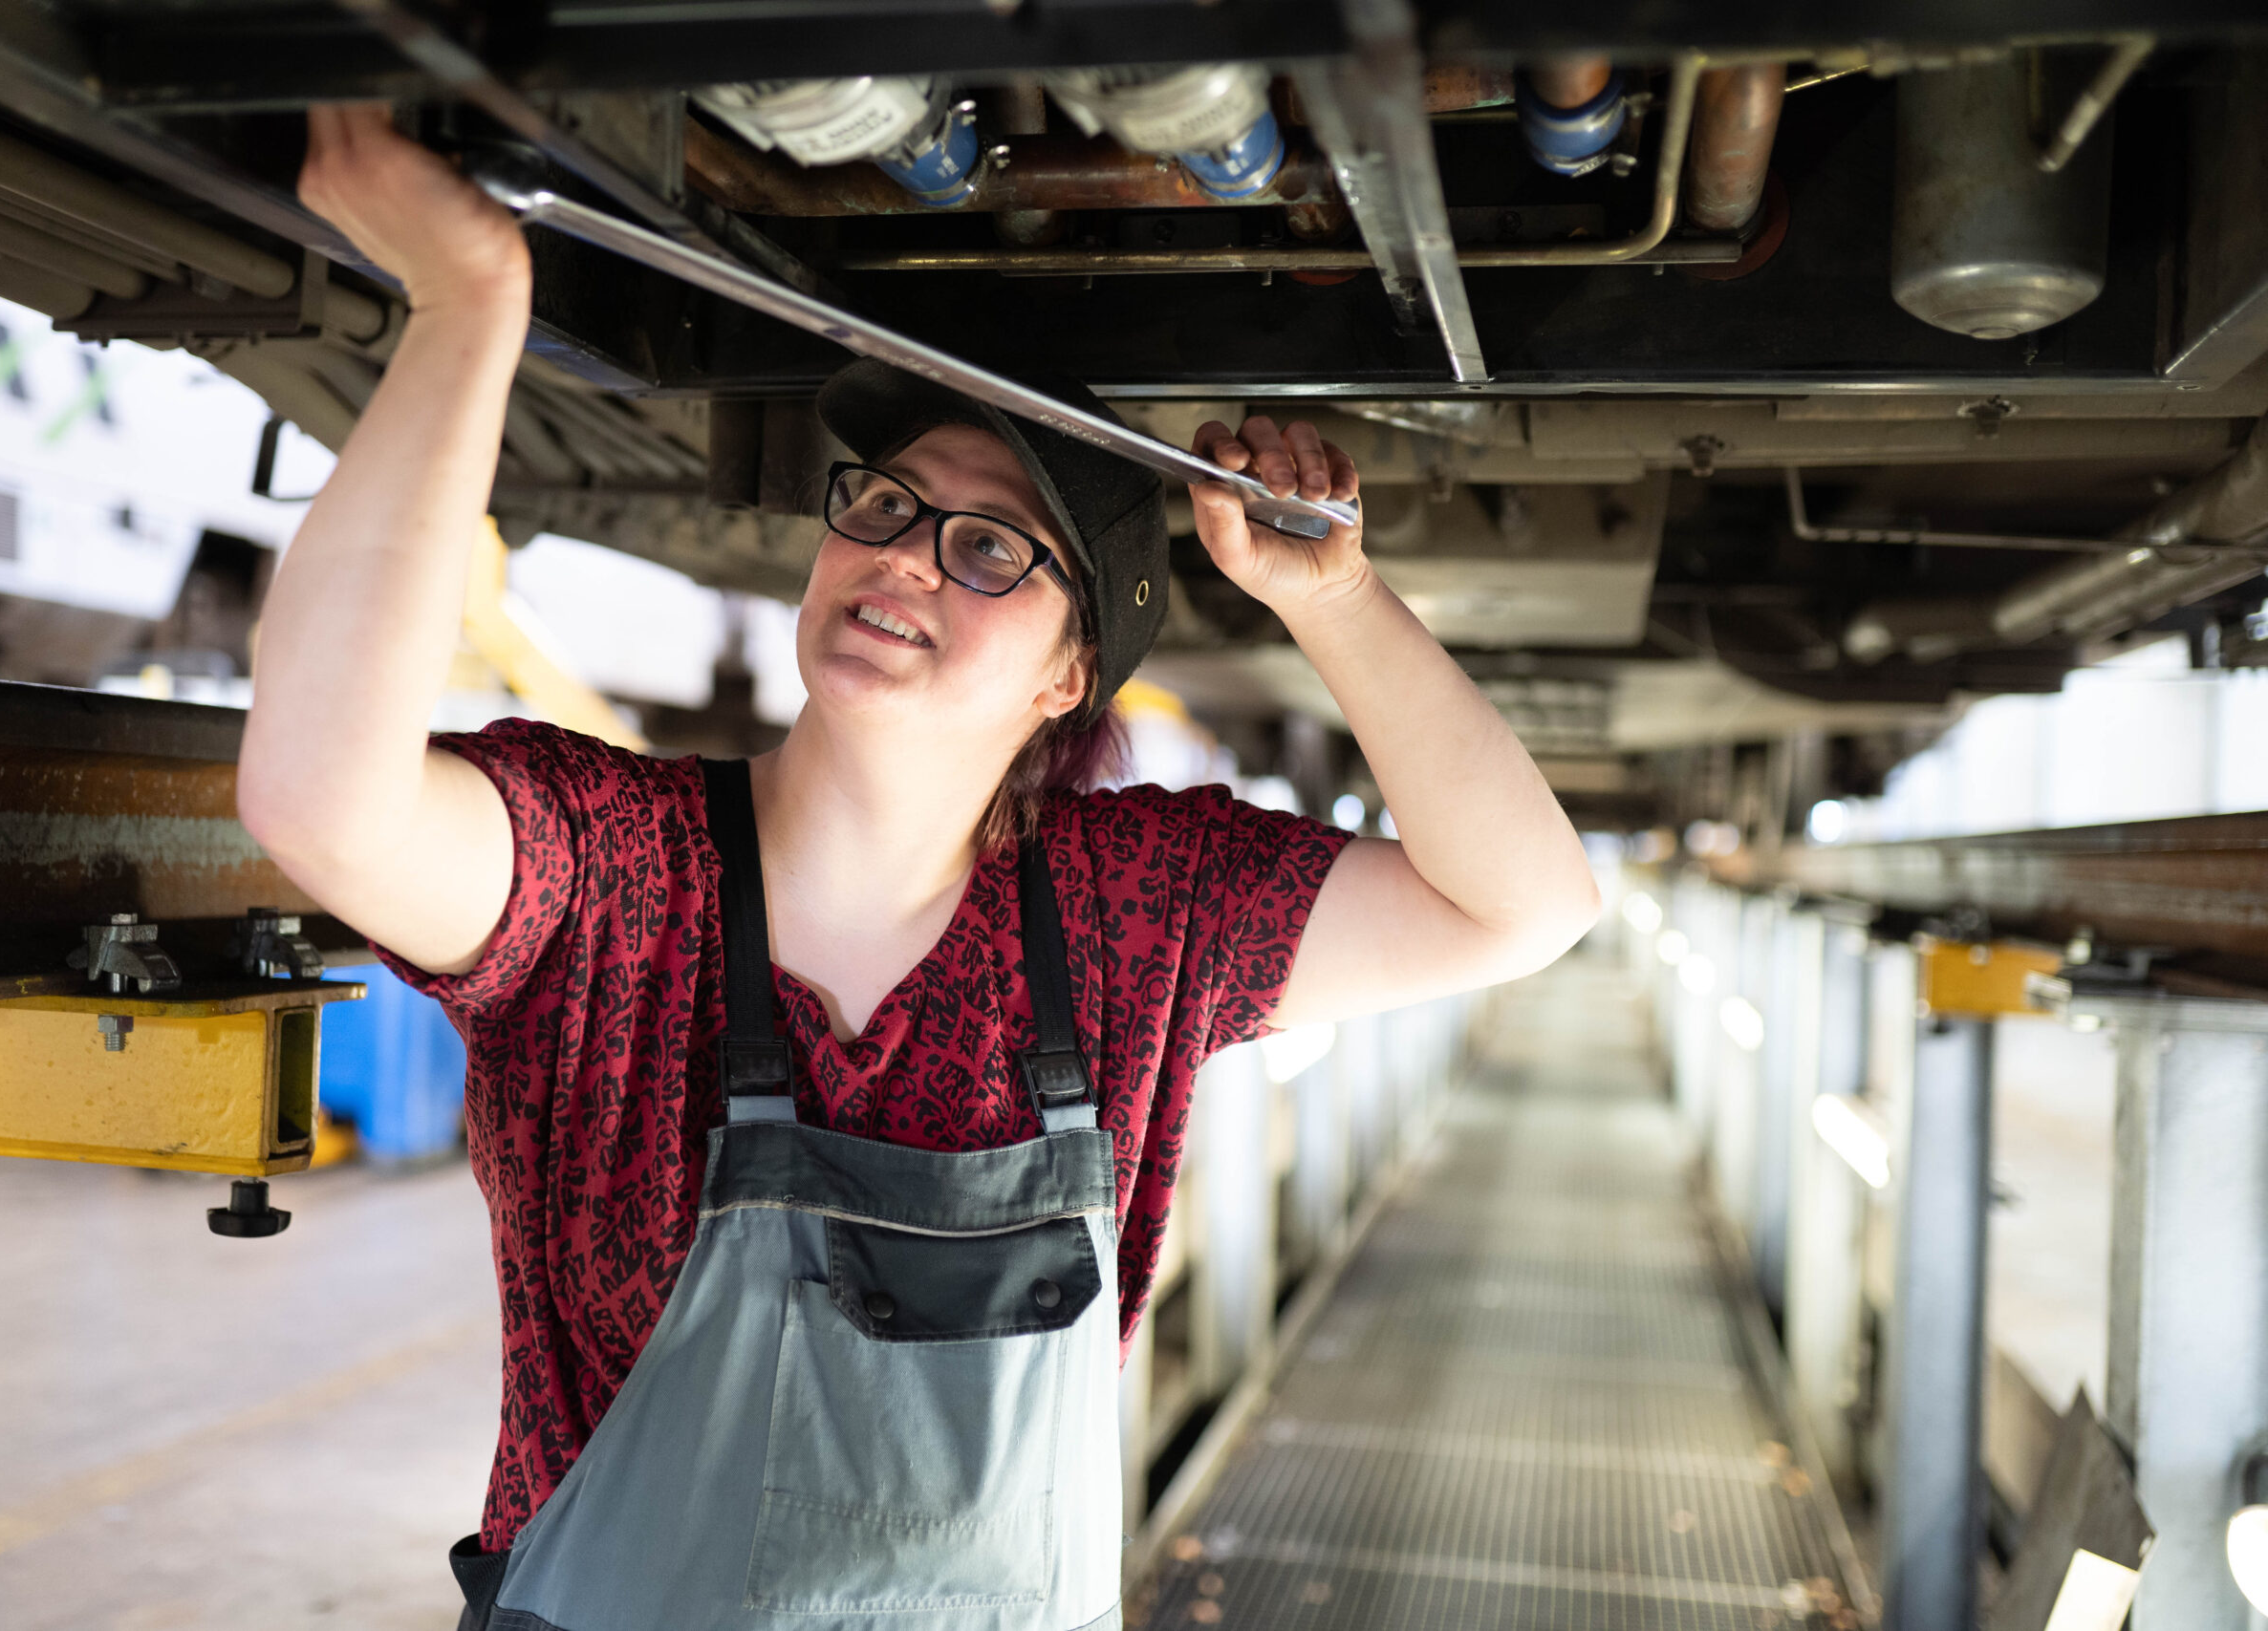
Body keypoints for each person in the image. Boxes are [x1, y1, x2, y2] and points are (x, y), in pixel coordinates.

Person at [239, 105, 1603, 1631]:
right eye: (884, 506)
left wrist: (1335, 596)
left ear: (1069, 673)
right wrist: (470, 306)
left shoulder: (1131, 914)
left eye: (990, 547)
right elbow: (321, 802)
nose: (901, 553)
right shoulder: (616, 873)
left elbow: (1527, 905)